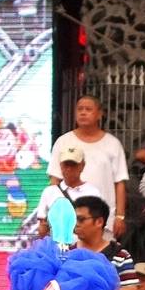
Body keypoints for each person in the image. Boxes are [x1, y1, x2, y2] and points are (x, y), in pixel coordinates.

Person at [48, 94, 128, 237]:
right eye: (79, 109)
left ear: (99, 114)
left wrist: (120, 216)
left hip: (102, 219)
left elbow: (119, 182)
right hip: (69, 220)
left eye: (88, 109)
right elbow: (55, 181)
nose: (83, 112)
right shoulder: (63, 141)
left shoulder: (113, 143)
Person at [72, 195, 137, 290]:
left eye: (81, 219)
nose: (76, 224)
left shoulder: (119, 254)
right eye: (73, 219)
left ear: (99, 222)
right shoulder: (66, 253)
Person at [32, 143, 98, 235]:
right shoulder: (49, 192)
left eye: (73, 165)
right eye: (66, 165)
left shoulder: (93, 193)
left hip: (83, 247)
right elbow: (41, 230)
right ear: (60, 165)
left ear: (82, 166)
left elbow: (97, 228)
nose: (69, 169)